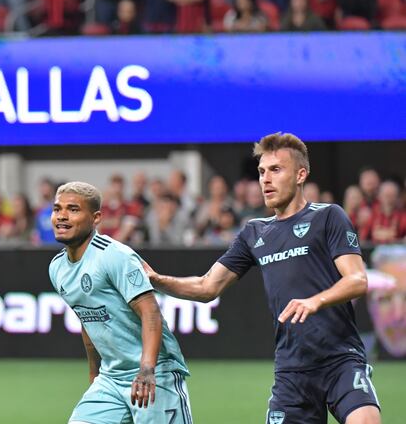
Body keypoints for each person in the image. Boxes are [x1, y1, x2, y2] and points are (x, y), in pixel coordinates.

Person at [143, 132, 381, 424]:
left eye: (276, 170)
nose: (265, 179)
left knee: (366, 420)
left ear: (300, 174)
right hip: (291, 370)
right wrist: (157, 279)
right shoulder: (254, 233)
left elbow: (358, 280)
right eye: (261, 172)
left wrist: (315, 301)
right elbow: (207, 286)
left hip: (341, 359)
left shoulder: (328, 216)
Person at [48, 181, 192, 424]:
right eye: (57, 209)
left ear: (95, 218)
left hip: (155, 373)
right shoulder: (57, 268)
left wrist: (147, 369)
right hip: (111, 378)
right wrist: (95, 373)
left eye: (73, 209)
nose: (61, 216)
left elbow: (151, 313)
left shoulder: (114, 256)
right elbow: (87, 318)